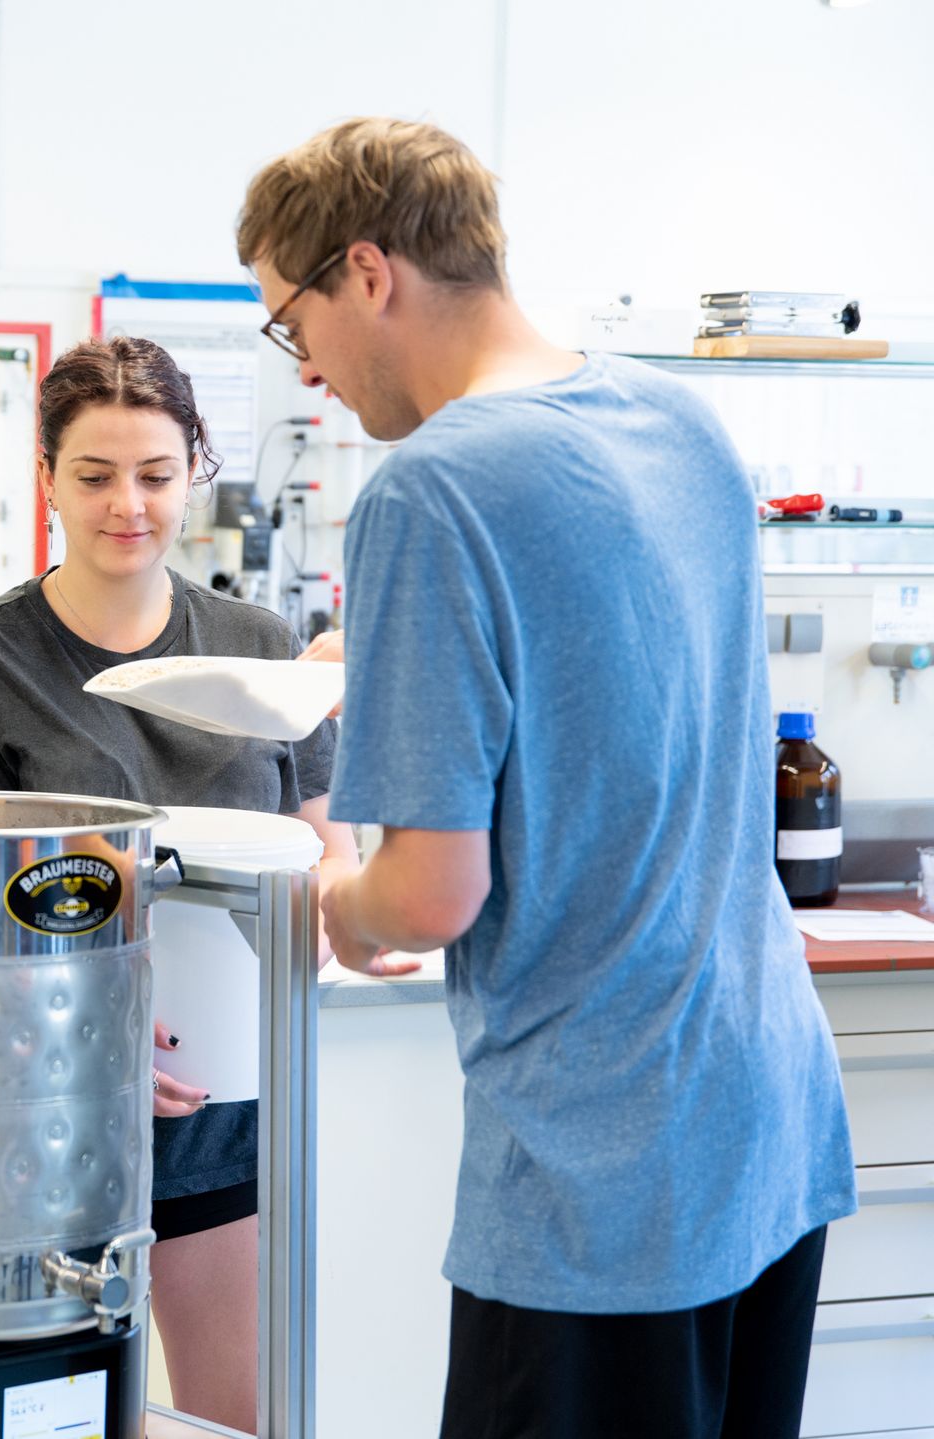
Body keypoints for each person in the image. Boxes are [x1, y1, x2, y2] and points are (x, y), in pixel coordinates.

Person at [236, 117, 856, 1438]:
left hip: (601, 1176)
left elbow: (431, 892)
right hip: (766, 1118)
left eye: (294, 326)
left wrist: (338, 893)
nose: (313, 375)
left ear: (366, 272)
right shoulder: (680, 422)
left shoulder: (430, 492)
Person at [0, 335, 354, 1431]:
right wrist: (87, 1023)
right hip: (43, 1102)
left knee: (235, 1412)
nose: (129, 505)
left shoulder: (256, 642)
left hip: (229, 1101)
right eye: (96, 475)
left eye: (156, 474)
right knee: (51, 1413)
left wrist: (347, 911)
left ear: (195, 470)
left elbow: (327, 847)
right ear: (48, 477)